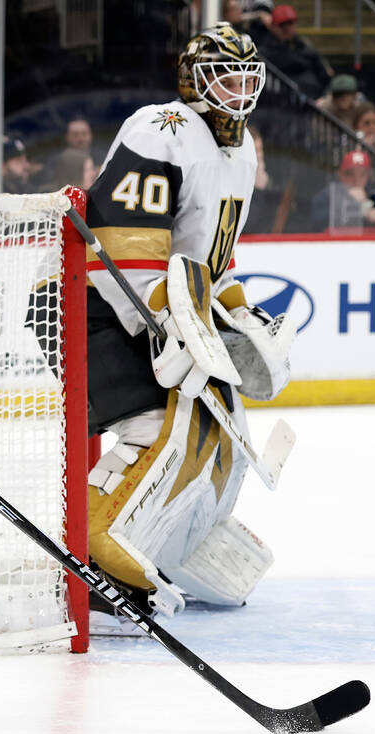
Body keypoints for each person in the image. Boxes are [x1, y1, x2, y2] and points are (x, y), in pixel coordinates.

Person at [81, 24, 290, 633]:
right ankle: (96, 540)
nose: (239, 91)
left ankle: (173, 551)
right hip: (98, 302)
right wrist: (164, 316)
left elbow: (212, 257)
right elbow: (121, 238)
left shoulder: (243, 150)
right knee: (161, 424)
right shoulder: (163, 128)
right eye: (226, 77)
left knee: (220, 435)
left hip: (168, 310)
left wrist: (236, 309)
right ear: (194, 81)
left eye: (249, 79)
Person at [258, 4, 331, 99]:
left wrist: (323, 97)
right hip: (278, 103)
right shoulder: (264, 52)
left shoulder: (306, 48)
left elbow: (325, 78)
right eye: (282, 25)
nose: (287, 29)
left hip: (312, 102)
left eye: (290, 23)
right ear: (273, 27)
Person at [310, 150, 375, 231]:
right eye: (350, 174)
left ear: (368, 176)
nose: (356, 180)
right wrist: (354, 204)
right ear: (340, 174)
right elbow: (317, 222)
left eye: (362, 174)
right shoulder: (327, 196)